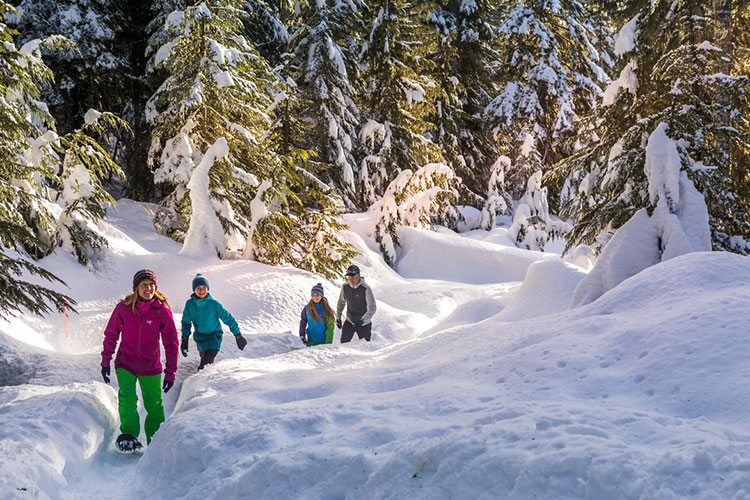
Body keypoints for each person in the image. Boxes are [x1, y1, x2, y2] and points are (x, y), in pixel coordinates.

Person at [100, 269, 179, 453]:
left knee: (154, 404)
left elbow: (171, 343)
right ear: (136, 287)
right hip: (125, 363)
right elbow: (111, 334)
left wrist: (170, 372)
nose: (148, 288)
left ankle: (156, 440)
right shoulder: (124, 308)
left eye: (151, 285)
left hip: (150, 366)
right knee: (127, 399)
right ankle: (128, 435)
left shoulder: (161, 311)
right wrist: (106, 361)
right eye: (144, 284)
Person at [180, 273, 247, 370]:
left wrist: (238, 334)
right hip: (200, 338)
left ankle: (200, 382)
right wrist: (185, 338)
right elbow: (186, 322)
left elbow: (228, 318)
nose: (201, 291)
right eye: (198, 288)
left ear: (208, 289)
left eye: (204, 288)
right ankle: (206, 380)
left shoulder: (214, 304)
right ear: (194, 290)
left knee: (205, 365)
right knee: (205, 361)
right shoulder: (190, 304)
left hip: (214, 337)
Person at [336, 264, 376, 343]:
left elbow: (372, 307)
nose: (351, 279)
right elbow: (341, 302)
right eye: (349, 277)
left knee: (366, 347)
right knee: (343, 344)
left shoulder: (366, 289)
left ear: (358, 275)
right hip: (350, 321)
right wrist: (338, 317)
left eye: (353, 277)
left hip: (363, 324)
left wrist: (362, 320)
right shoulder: (345, 287)